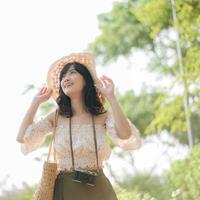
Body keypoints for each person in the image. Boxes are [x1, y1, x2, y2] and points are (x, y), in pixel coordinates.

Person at [16, 52, 141, 200]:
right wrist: (35, 103)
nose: (65, 78)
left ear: (86, 80)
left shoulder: (102, 116)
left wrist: (111, 97)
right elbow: (22, 137)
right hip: (65, 190)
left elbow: (125, 135)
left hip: (99, 190)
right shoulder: (57, 116)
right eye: (62, 76)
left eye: (72, 72)